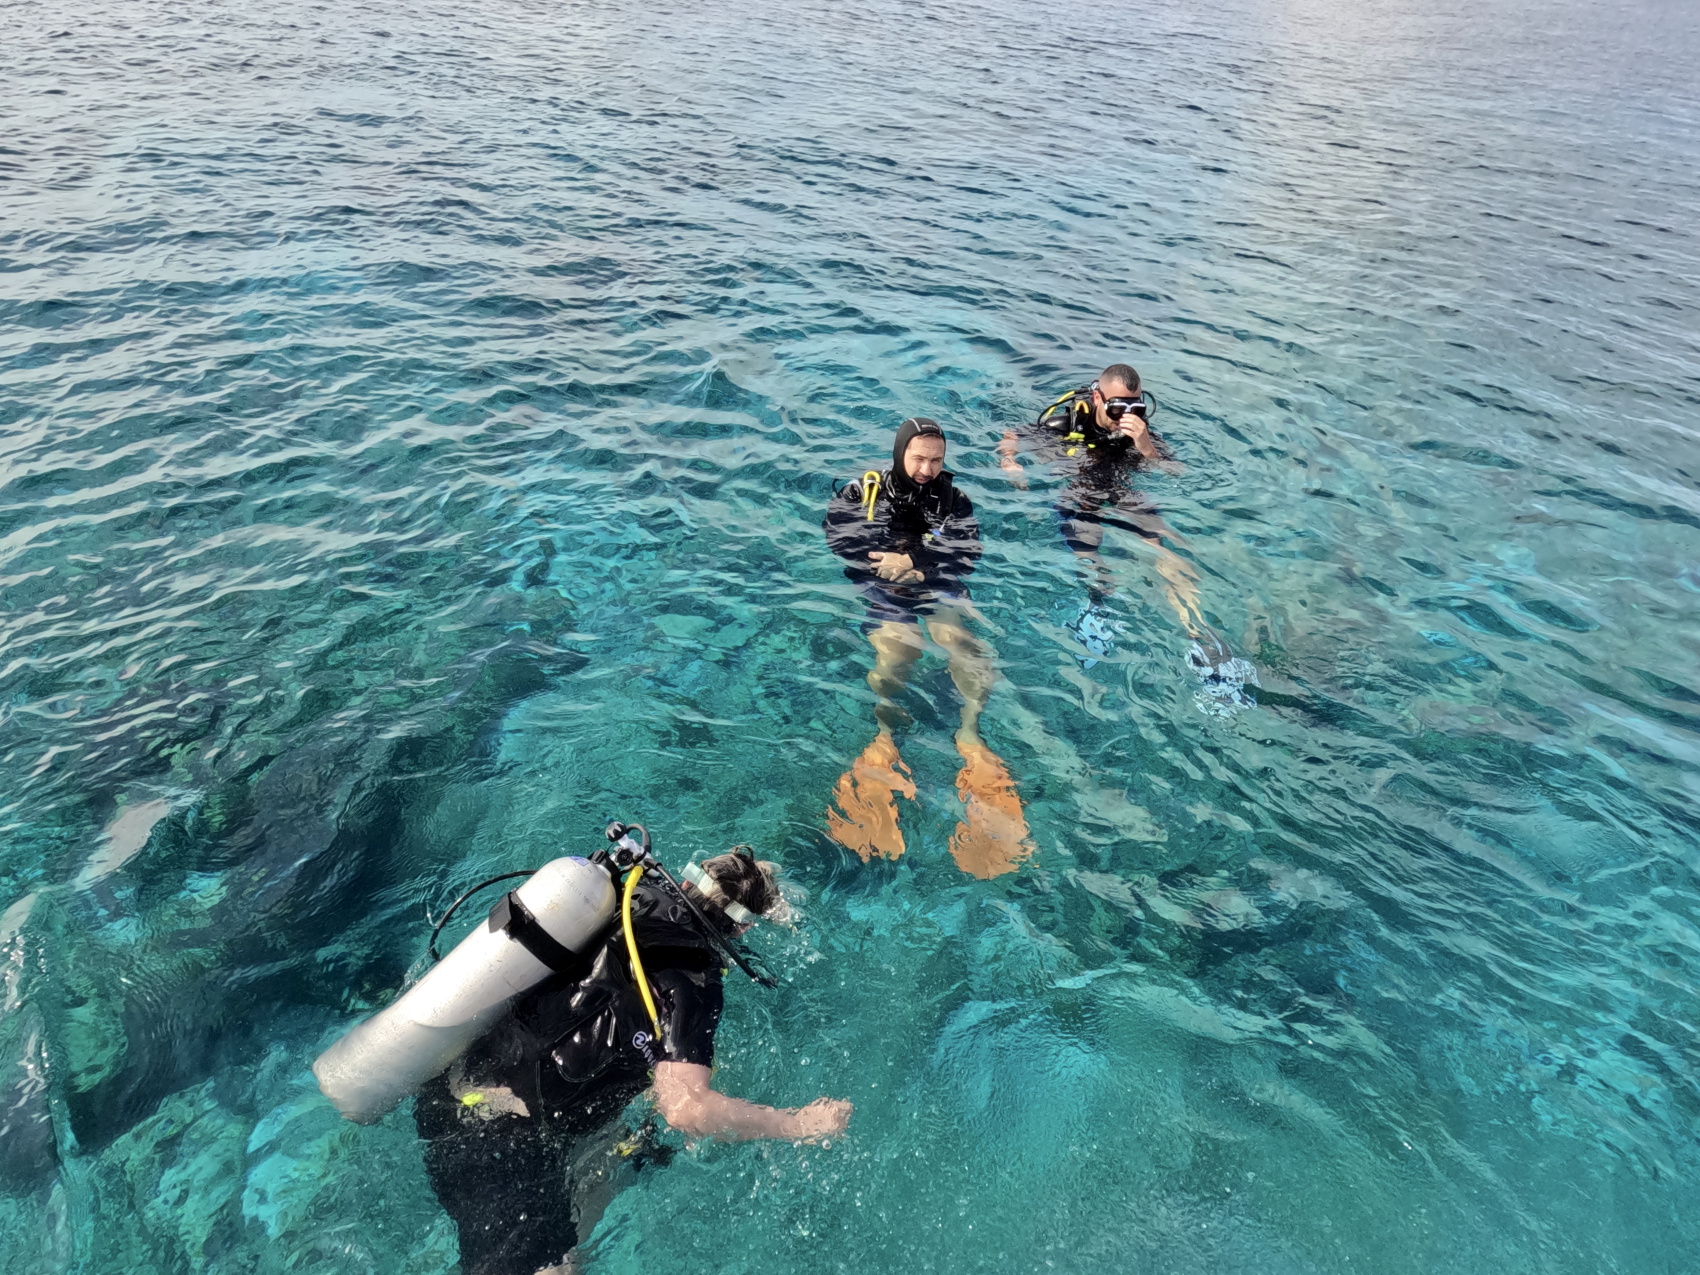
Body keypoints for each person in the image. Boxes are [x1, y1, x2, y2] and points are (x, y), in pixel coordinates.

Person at [413, 850, 852, 1275]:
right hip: (503, 1145)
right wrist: (796, 1124)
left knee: (616, 1156)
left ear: (683, 883)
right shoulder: (694, 983)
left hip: (450, 1089)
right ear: (740, 931)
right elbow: (686, 1110)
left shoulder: (617, 899)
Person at [821, 417, 1033, 878]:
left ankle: (970, 735)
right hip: (883, 584)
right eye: (918, 458)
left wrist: (918, 564)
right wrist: (886, 565)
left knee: (960, 642)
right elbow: (838, 537)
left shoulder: (953, 499)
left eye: (936, 460)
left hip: (934, 579)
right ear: (900, 453)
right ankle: (884, 735)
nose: (926, 468)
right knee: (898, 651)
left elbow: (969, 549)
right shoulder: (864, 492)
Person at [999, 363, 1256, 712]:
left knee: (1163, 546)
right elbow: (1012, 434)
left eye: (1136, 407)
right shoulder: (1067, 422)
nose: (1127, 415)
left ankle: (1201, 637)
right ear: (1097, 397)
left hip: (1122, 487)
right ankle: (1098, 603)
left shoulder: (1139, 431)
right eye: (1118, 407)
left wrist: (1146, 446)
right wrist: (1010, 461)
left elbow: (1176, 471)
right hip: (1080, 487)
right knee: (1088, 549)